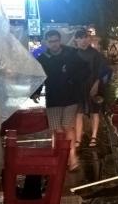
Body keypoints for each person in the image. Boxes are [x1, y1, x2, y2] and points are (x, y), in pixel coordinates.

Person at [32, 30, 87, 171]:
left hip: (70, 97)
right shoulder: (42, 58)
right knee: (57, 129)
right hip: (53, 98)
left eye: (56, 41)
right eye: (51, 42)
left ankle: (72, 157)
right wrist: (36, 92)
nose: (54, 44)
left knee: (68, 126)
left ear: (60, 40)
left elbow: (84, 70)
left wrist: (74, 81)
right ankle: (62, 155)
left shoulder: (71, 54)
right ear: (46, 42)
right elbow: (39, 77)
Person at [74, 29, 112, 148]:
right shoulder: (73, 54)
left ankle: (94, 137)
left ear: (89, 39)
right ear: (76, 40)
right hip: (78, 87)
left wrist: (97, 83)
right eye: (80, 38)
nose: (83, 41)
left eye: (85, 38)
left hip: (93, 86)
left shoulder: (96, 54)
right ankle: (78, 138)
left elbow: (106, 70)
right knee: (78, 113)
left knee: (94, 111)